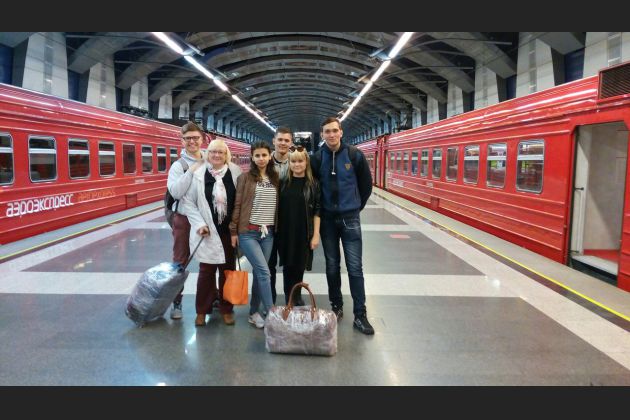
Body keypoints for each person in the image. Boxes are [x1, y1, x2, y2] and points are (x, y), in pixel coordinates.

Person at [310, 117, 375, 335]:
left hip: (350, 218)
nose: (331, 134)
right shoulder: (317, 158)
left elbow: (366, 185)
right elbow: (314, 189)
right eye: (327, 131)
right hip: (327, 220)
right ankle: (336, 307)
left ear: (341, 132)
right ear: (322, 135)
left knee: (355, 267)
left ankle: (360, 315)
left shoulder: (354, 155)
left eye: (334, 130)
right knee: (332, 266)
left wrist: (355, 207)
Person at [181, 139, 242, 327]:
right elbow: (188, 202)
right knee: (206, 273)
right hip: (206, 232)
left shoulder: (235, 172)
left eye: (220, 152)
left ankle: (227, 309)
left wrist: (237, 228)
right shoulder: (199, 174)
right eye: (213, 151)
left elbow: (240, 201)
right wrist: (200, 224)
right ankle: (202, 310)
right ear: (208, 154)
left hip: (228, 231)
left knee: (228, 271)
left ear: (226, 155)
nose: (216, 155)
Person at [230, 140, 279, 329]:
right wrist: (233, 231)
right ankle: (273, 314)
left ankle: (253, 312)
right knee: (265, 272)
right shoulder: (245, 178)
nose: (261, 158)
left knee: (260, 274)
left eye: (264, 155)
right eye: (257, 155)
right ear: (252, 157)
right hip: (248, 233)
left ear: (270, 156)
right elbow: (237, 205)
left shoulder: (275, 178)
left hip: (268, 234)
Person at [166, 121, 206, 320]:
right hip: (183, 219)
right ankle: (176, 302)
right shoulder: (178, 166)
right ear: (182, 141)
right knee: (180, 262)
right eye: (188, 138)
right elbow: (175, 192)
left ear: (202, 139)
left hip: (206, 218)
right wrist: (191, 171)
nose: (192, 141)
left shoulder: (210, 159)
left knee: (209, 261)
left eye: (195, 138)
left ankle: (211, 298)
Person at [277, 146, 320, 305]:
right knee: (288, 266)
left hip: (304, 231)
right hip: (285, 231)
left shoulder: (313, 184)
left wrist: (316, 235)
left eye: (300, 161)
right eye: (293, 161)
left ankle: (297, 295)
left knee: (300, 265)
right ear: (289, 163)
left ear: (306, 162)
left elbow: (317, 210)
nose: (297, 164)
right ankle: (289, 297)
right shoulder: (282, 182)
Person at [267, 127, 293, 304]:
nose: (283, 143)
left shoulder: (297, 161)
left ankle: (291, 298)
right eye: (280, 139)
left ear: (291, 143)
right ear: (274, 141)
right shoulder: (264, 161)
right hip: (268, 221)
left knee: (290, 263)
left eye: (286, 140)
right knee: (269, 264)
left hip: (289, 221)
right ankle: (270, 300)